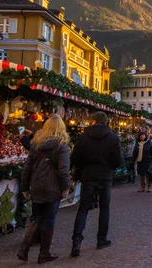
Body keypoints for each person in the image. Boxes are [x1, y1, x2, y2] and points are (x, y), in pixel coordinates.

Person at [18, 114, 70, 264]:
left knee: (37, 217)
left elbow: (27, 167)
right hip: (53, 186)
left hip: (37, 184)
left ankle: (24, 248)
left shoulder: (36, 143)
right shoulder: (62, 145)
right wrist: (66, 186)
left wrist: (25, 187)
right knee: (49, 219)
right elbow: (63, 169)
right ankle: (44, 253)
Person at [70, 111, 122, 257]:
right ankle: (101, 239)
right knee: (104, 208)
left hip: (88, 175)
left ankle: (76, 241)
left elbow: (75, 158)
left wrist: (84, 167)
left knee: (83, 209)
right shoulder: (112, 137)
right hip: (105, 176)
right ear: (105, 122)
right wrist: (109, 167)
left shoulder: (84, 137)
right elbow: (118, 160)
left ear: (93, 121)